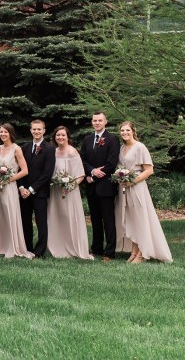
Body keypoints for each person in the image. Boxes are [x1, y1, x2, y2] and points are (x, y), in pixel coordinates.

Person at [114, 121, 172, 263]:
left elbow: (149, 170)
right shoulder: (122, 148)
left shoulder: (140, 147)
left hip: (137, 187)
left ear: (133, 131)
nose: (125, 133)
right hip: (124, 188)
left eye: (127, 130)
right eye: (122, 130)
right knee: (132, 220)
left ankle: (142, 254)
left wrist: (132, 181)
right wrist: (120, 176)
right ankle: (134, 252)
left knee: (141, 219)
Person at [46, 126, 93, 260]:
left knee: (70, 217)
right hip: (55, 191)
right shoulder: (53, 152)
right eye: (58, 135)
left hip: (70, 191)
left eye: (63, 135)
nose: (60, 137)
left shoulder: (72, 152)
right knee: (56, 217)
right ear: (55, 137)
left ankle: (74, 247)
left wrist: (69, 186)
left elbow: (80, 175)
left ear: (67, 137)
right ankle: (58, 246)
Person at [0, 123, 33, 259]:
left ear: (10, 133)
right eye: (1, 132)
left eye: (5, 132)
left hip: (9, 187)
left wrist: (8, 179)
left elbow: (25, 170)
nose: (3, 134)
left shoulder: (16, 149)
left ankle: (12, 246)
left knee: (9, 215)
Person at [80, 111, 119, 262]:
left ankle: (109, 252)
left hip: (106, 186)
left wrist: (94, 176)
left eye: (100, 120)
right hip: (91, 187)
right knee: (95, 219)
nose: (97, 123)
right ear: (92, 122)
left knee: (108, 220)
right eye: (95, 120)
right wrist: (91, 171)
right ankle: (96, 248)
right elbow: (82, 160)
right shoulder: (87, 139)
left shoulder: (112, 139)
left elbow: (112, 162)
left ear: (105, 121)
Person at [18, 119, 56, 257]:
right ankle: (27, 248)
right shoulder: (24, 147)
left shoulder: (50, 149)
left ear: (44, 131)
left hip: (40, 192)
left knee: (41, 223)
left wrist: (31, 189)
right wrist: (22, 187)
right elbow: (19, 169)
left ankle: (40, 251)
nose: (36, 131)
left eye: (39, 129)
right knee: (25, 221)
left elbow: (47, 173)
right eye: (34, 129)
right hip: (24, 193)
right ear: (30, 130)